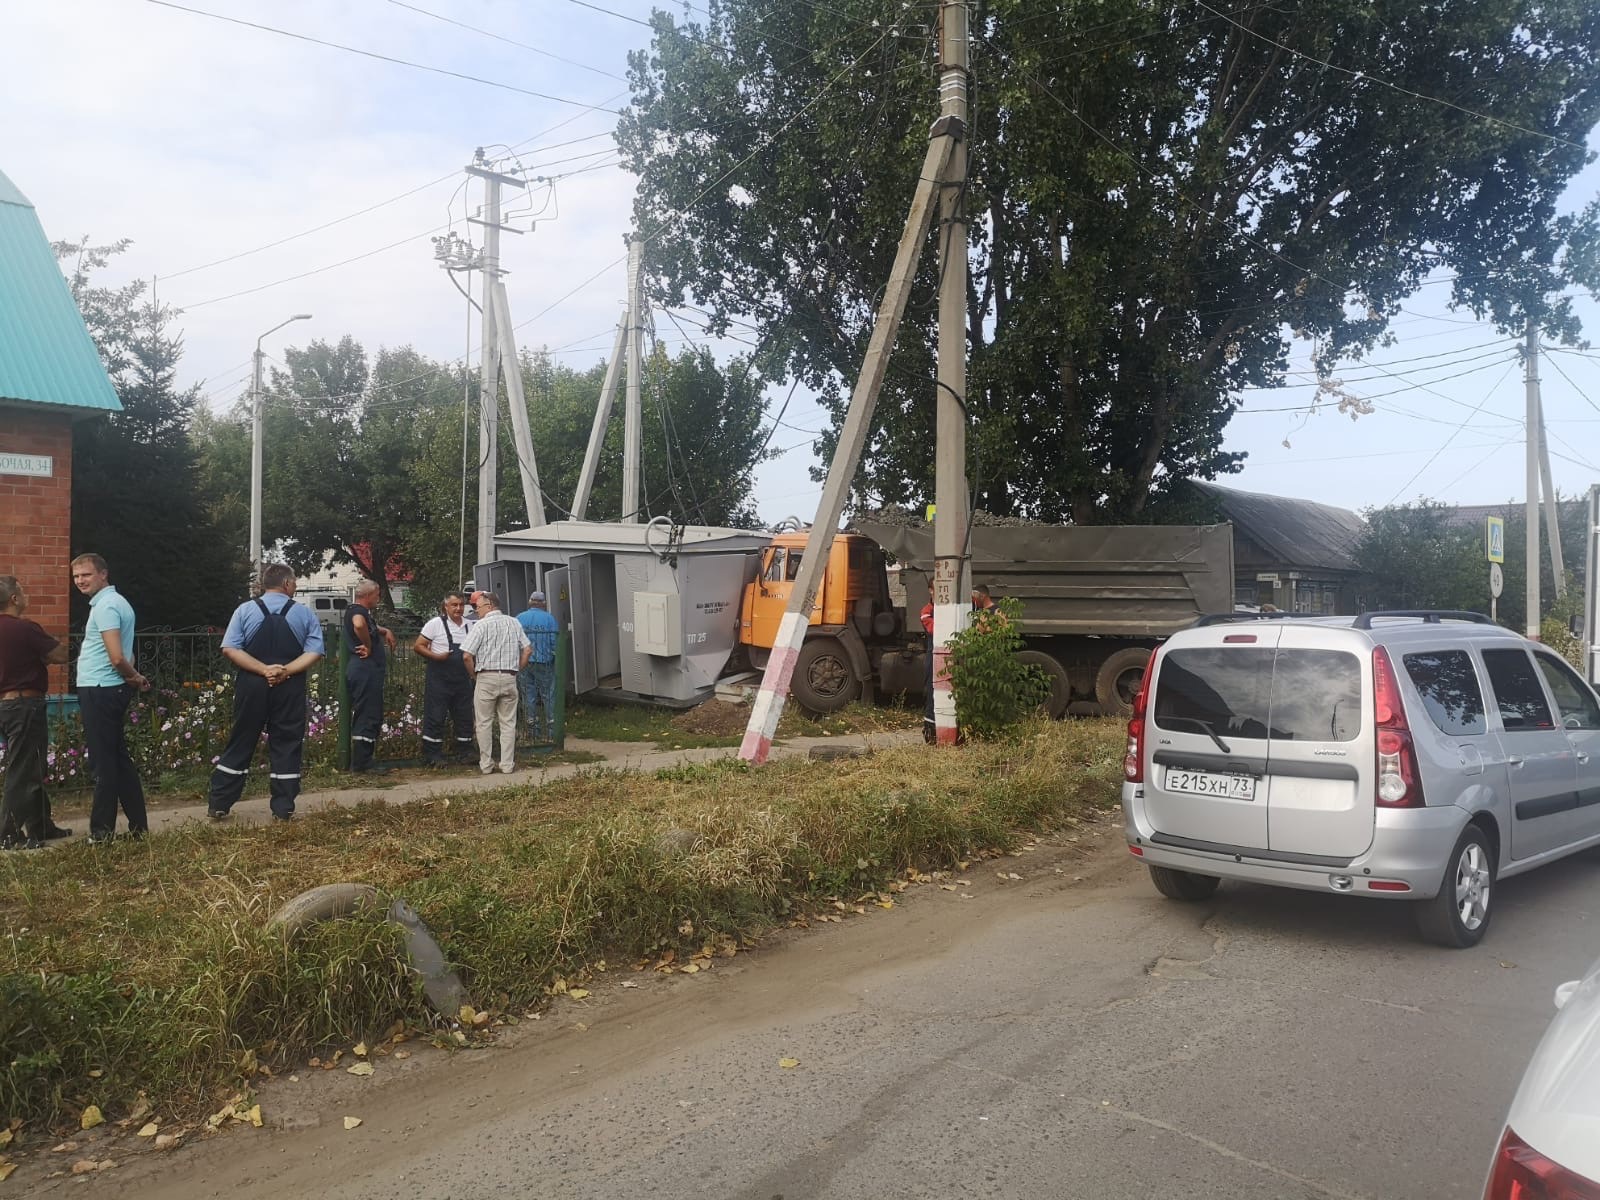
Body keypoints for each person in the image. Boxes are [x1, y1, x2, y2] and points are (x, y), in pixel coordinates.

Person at [206, 563, 325, 822]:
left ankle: (219, 802)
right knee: (286, 742)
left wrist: (262, 670)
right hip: (289, 686)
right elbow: (314, 652)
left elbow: (230, 648)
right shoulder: (304, 614)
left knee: (242, 739)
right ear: (286, 584)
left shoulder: (245, 610)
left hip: (252, 685)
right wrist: (284, 672)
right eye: (294, 582)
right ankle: (283, 807)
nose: (295, 586)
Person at [71, 553, 151, 844]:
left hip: (100, 688)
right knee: (118, 760)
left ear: (103, 574)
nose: (80, 581)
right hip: (107, 687)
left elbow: (117, 656)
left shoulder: (106, 606)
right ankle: (138, 827)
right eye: (76, 576)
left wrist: (130, 675)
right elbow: (124, 652)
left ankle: (101, 834)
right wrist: (135, 676)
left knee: (103, 764)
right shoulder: (116, 603)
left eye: (86, 575)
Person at [0, 576, 70, 849]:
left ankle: (41, 825)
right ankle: (8, 833)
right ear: (14, 599)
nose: (26, 596)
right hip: (24, 704)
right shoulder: (25, 628)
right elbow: (60, 654)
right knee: (24, 769)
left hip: (4, 705)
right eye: (23, 591)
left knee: (32, 762)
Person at [460, 592, 529, 775]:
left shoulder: (481, 625)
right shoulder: (514, 623)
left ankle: (486, 764)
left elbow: (466, 655)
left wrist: (474, 675)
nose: (476, 611)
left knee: (484, 722)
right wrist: (517, 669)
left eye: (478, 607)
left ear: (489, 606)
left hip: (486, 677)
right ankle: (507, 764)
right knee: (508, 723)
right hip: (509, 677)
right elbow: (528, 649)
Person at [414, 591, 474, 767]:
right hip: (439, 678)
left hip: (462, 679)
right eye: (454, 605)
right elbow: (418, 646)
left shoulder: (471, 625)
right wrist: (435, 656)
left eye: (461, 605)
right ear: (446, 606)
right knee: (436, 715)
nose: (458, 608)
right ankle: (432, 754)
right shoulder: (435, 624)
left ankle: (465, 752)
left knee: (464, 715)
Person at [343, 579, 396, 775]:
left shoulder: (359, 611)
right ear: (368, 595)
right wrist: (368, 644)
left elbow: (369, 626)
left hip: (366, 670)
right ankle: (362, 763)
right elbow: (359, 624)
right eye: (377, 595)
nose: (378, 598)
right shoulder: (359, 612)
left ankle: (365, 760)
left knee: (371, 712)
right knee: (367, 714)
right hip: (365, 670)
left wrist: (385, 631)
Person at [515, 590, 560, 745]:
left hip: (525, 663)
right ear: (543, 603)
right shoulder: (549, 618)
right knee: (548, 696)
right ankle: (552, 731)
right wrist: (554, 657)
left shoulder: (519, 618)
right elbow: (555, 642)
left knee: (529, 696)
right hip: (545, 662)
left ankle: (532, 730)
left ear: (530, 602)